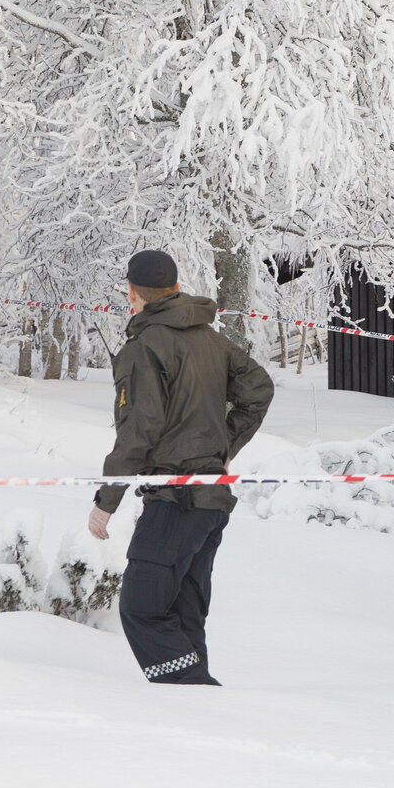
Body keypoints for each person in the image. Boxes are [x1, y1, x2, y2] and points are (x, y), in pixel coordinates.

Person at [87, 250, 274, 686]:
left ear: (132, 293)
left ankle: (193, 690)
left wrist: (105, 502)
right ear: (174, 287)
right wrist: (222, 447)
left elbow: (138, 430)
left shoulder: (144, 347)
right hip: (208, 505)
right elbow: (259, 389)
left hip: (177, 502)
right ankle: (197, 709)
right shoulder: (209, 338)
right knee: (183, 614)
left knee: (143, 609)